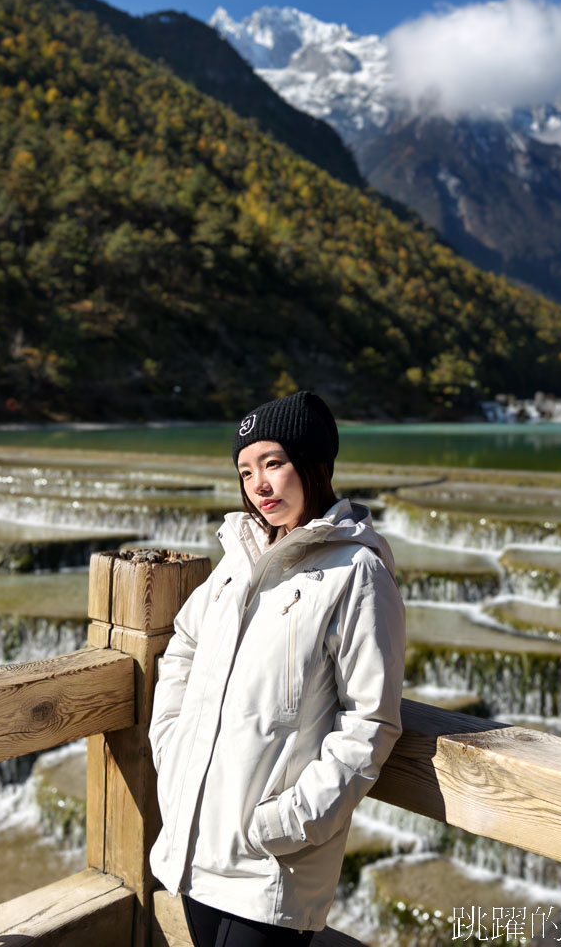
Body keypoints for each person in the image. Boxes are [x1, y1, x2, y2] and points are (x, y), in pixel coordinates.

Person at [149, 390, 406, 946]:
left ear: (314, 465)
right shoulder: (238, 559)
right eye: (245, 471)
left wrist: (291, 821)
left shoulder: (356, 572)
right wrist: (170, 748)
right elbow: (183, 646)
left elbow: (371, 721)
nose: (258, 486)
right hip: (198, 846)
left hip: (271, 867)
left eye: (273, 463)